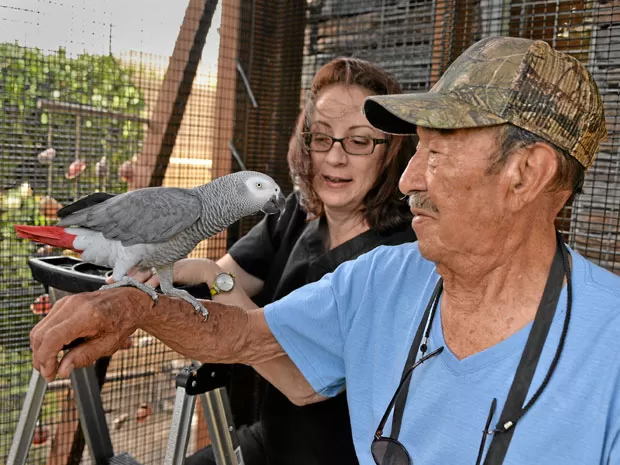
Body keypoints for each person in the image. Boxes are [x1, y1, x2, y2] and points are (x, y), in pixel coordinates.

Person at [29, 36, 620, 465]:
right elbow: (243, 336)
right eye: (414, 151)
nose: (410, 178)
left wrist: (209, 283)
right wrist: (135, 308)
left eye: (435, 154)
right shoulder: (382, 277)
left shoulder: (609, 342)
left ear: (525, 174)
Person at [119, 56, 416, 465]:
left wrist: (211, 278)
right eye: (322, 137)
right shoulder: (297, 213)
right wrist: (151, 283)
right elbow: (226, 276)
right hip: (270, 439)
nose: (334, 157)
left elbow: (300, 381)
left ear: (390, 153)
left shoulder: (402, 254)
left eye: (359, 141)